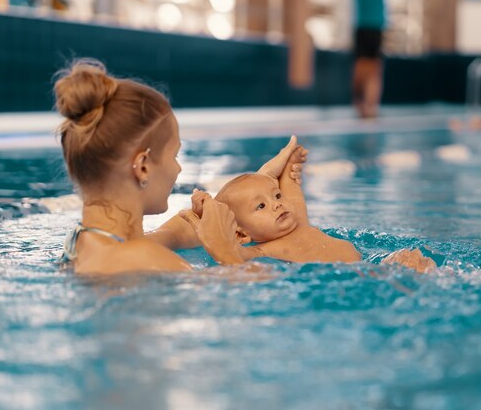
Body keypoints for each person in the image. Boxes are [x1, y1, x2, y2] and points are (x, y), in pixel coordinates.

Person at [54, 58, 300, 274]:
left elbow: (170, 235)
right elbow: (255, 287)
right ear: (143, 167)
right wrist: (224, 248)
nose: (178, 169)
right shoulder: (146, 259)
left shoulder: (84, 241)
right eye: (174, 156)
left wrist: (259, 188)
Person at [189, 136, 436, 273]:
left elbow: (293, 195)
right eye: (260, 207)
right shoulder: (259, 252)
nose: (276, 205)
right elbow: (226, 249)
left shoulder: (298, 224)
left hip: (372, 266)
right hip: (356, 280)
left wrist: (289, 167)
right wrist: (206, 212)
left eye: (275, 196)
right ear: (241, 233)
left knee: (413, 262)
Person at [352, 0, 385, 119]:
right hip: (372, 26)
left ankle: (366, 105)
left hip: (367, 26)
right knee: (370, 68)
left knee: (368, 68)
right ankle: (368, 106)